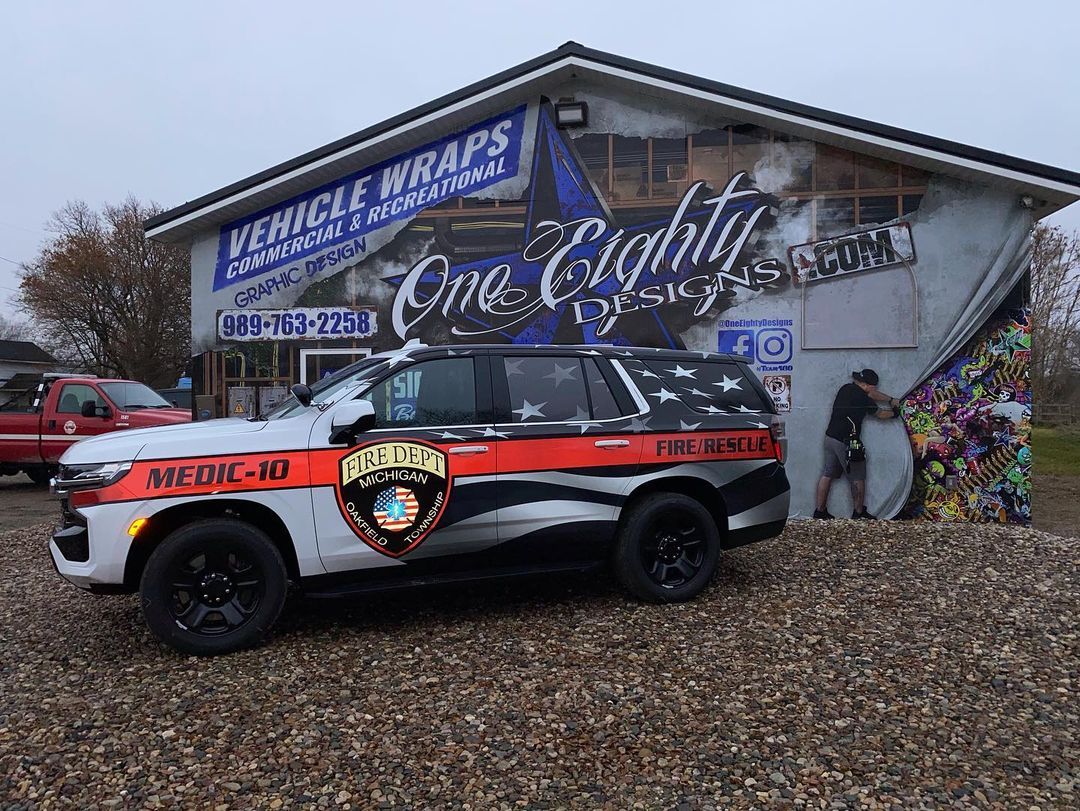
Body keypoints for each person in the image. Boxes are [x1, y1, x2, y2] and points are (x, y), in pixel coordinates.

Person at [814, 369, 901, 520]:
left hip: (830, 438)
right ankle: (859, 512)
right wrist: (895, 412)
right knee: (858, 476)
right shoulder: (862, 398)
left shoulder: (846, 388)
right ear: (868, 385)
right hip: (847, 441)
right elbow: (880, 414)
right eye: (874, 386)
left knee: (827, 474)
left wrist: (890, 399)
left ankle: (819, 511)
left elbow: (871, 394)